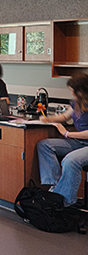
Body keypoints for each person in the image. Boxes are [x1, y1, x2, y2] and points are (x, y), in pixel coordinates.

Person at [36, 73, 88, 206]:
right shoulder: (76, 103)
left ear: (82, 90)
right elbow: (65, 116)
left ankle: (65, 202)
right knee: (44, 145)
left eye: (73, 91)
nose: (72, 94)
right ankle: (55, 186)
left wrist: (67, 134)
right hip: (79, 143)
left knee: (70, 161)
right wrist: (48, 119)